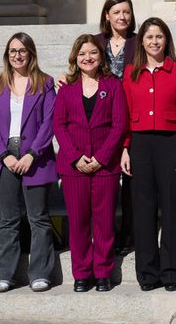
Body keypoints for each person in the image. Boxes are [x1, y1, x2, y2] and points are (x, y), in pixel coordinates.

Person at [121, 17, 176, 292]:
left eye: (159, 37)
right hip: (140, 145)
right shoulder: (131, 72)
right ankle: (148, 274)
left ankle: (173, 273)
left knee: (173, 209)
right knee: (143, 211)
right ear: (141, 41)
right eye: (149, 37)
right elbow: (125, 113)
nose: (154, 41)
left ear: (167, 41)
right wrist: (125, 148)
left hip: (170, 144)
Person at [0, 32, 58, 293]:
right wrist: (4, 155)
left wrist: (32, 154)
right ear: (7, 55)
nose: (17, 55)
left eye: (22, 50)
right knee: (8, 219)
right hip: (4, 157)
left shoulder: (45, 83)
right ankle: (4, 273)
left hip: (34, 157)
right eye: (13, 50)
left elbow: (49, 123)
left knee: (38, 218)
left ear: (31, 54)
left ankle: (40, 273)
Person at [54, 35, 128, 293]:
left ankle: (103, 272)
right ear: (75, 58)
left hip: (105, 167)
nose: (88, 58)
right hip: (73, 167)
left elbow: (119, 125)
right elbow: (59, 126)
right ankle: (82, 273)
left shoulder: (113, 85)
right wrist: (76, 157)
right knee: (78, 223)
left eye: (93, 53)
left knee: (104, 222)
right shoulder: (66, 88)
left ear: (101, 56)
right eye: (83, 54)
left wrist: (101, 158)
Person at [95, 0, 137, 253]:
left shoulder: (138, 42)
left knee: (131, 183)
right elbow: (82, 64)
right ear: (107, 16)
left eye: (126, 12)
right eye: (117, 12)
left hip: (133, 115)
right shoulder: (97, 42)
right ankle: (104, 237)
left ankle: (129, 236)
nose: (122, 16)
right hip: (103, 118)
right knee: (105, 184)